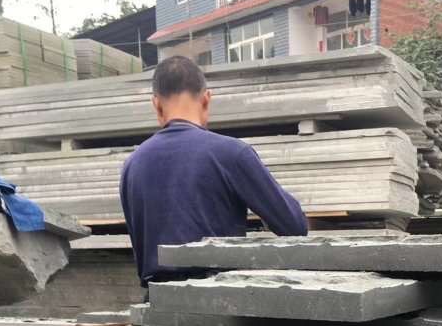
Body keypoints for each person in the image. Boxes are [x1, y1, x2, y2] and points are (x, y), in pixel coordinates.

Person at [120, 55, 308, 288]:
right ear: (206, 99)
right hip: (220, 301)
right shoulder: (232, 154)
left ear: (156, 104)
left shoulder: (133, 166)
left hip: (157, 303)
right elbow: (294, 227)